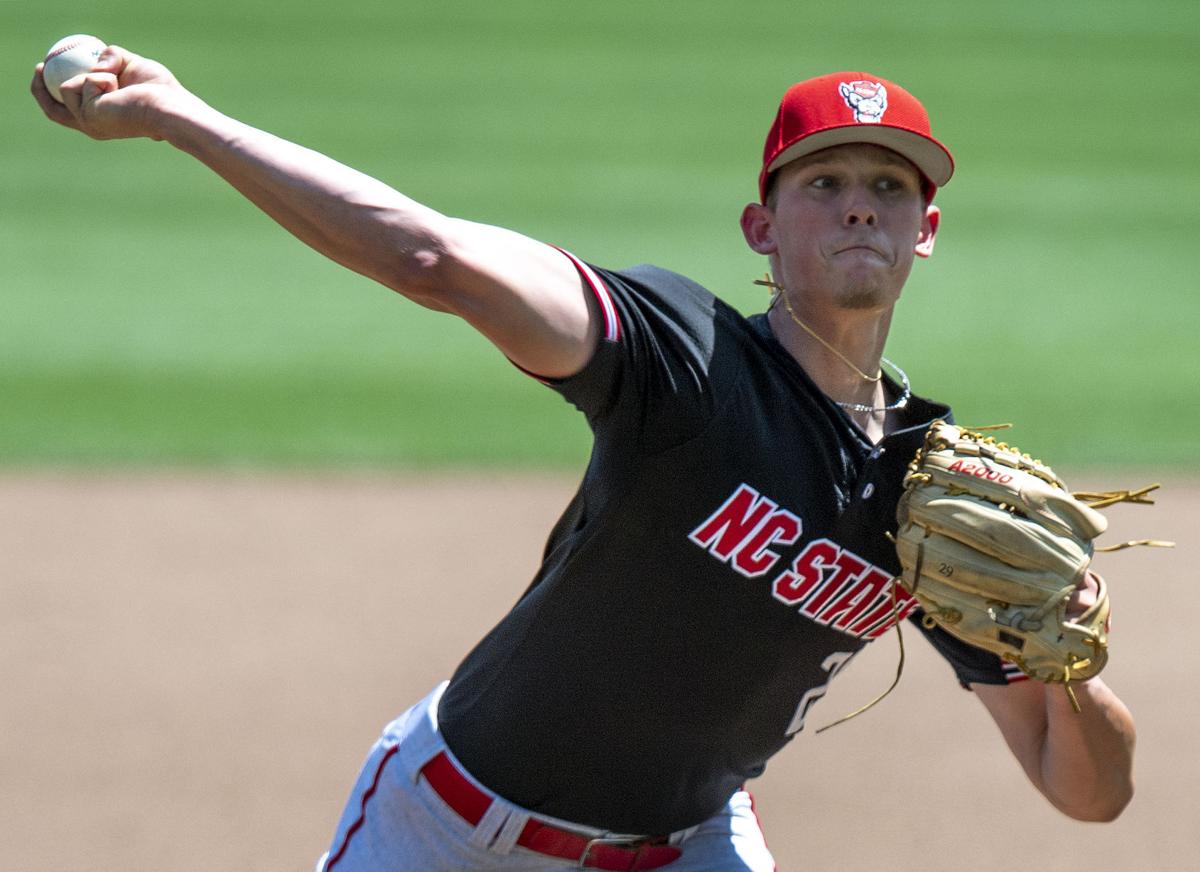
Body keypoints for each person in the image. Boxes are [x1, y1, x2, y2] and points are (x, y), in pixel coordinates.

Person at [33, 48, 1136, 872]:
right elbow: (436, 257)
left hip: (686, 843)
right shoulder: (681, 358)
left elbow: (1082, 789)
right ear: (763, 227)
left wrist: (1068, 661)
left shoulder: (931, 496)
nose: (859, 202)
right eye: (825, 181)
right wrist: (181, 117)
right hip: (447, 828)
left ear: (925, 229)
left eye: (889, 186)